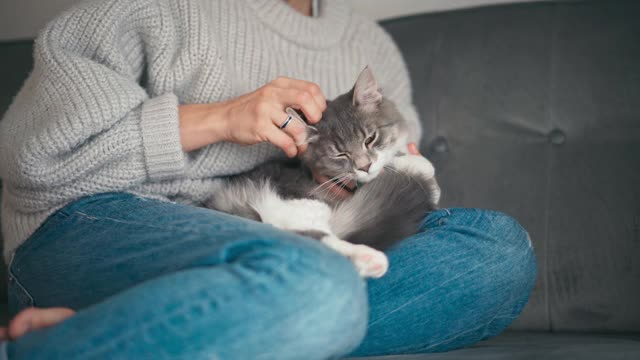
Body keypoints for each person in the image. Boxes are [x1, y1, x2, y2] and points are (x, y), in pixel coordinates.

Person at [0, 0, 537, 358]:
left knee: (497, 250)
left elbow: (391, 173)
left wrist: (393, 174)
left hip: (295, 229)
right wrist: (220, 119)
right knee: (318, 281)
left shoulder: (369, 42)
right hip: (101, 221)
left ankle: (137, 329)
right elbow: (34, 161)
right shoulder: (151, 9)